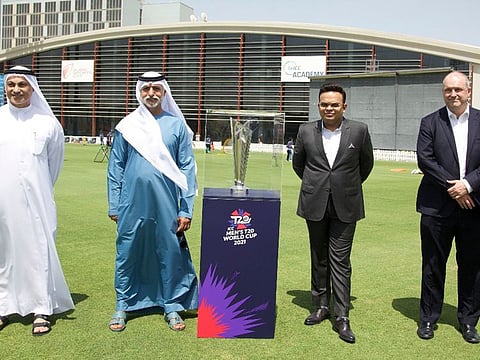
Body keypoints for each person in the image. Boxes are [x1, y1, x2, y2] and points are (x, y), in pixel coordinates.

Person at [107, 71, 198, 332]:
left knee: (168, 251)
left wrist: (186, 208)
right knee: (127, 252)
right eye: (146, 89)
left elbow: (186, 168)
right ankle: (123, 304)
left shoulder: (176, 125)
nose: (151, 93)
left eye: (156, 89)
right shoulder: (127, 125)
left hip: (167, 202)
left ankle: (172, 305)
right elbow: (116, 167)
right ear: (139, 92)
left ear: (164, 92)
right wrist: (114, 204)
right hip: (130, 203)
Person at [293, 83, 374, 344]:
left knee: (340, 260)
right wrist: (318, 185)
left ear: (344, 106)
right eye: (324, 104)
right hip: (313, 202)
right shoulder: (305, 130)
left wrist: (343, 187)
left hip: (346, 204)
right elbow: (299, 165)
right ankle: (320, 306)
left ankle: (342, 316)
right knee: (318, 257)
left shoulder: (359, 131)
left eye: (334, 104)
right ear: (318, 105)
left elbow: (366, 165)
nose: (329, 108)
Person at [0, 65, 74, 336]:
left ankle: (41, 308)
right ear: (6, 87)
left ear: (32, 88)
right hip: (3, 202)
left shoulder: (48, 123)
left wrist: (36, 188)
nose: (16, 90)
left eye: (22, 85)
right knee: (4, 252)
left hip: (38, 201)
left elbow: (54, 165)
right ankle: (4, 306)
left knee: (38, 250)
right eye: (11, 85)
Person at [416, 71, 480, 344]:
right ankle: (428, 318)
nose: (453, 94)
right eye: (448, 90)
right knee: (433, 264)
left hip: (475, 205)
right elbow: (425, 159)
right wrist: (455, 188)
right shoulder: (430, 121)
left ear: (469, 91)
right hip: (436, 207)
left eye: (458, 89)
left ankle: (468, 321)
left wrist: (468, 184)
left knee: (473, 266)